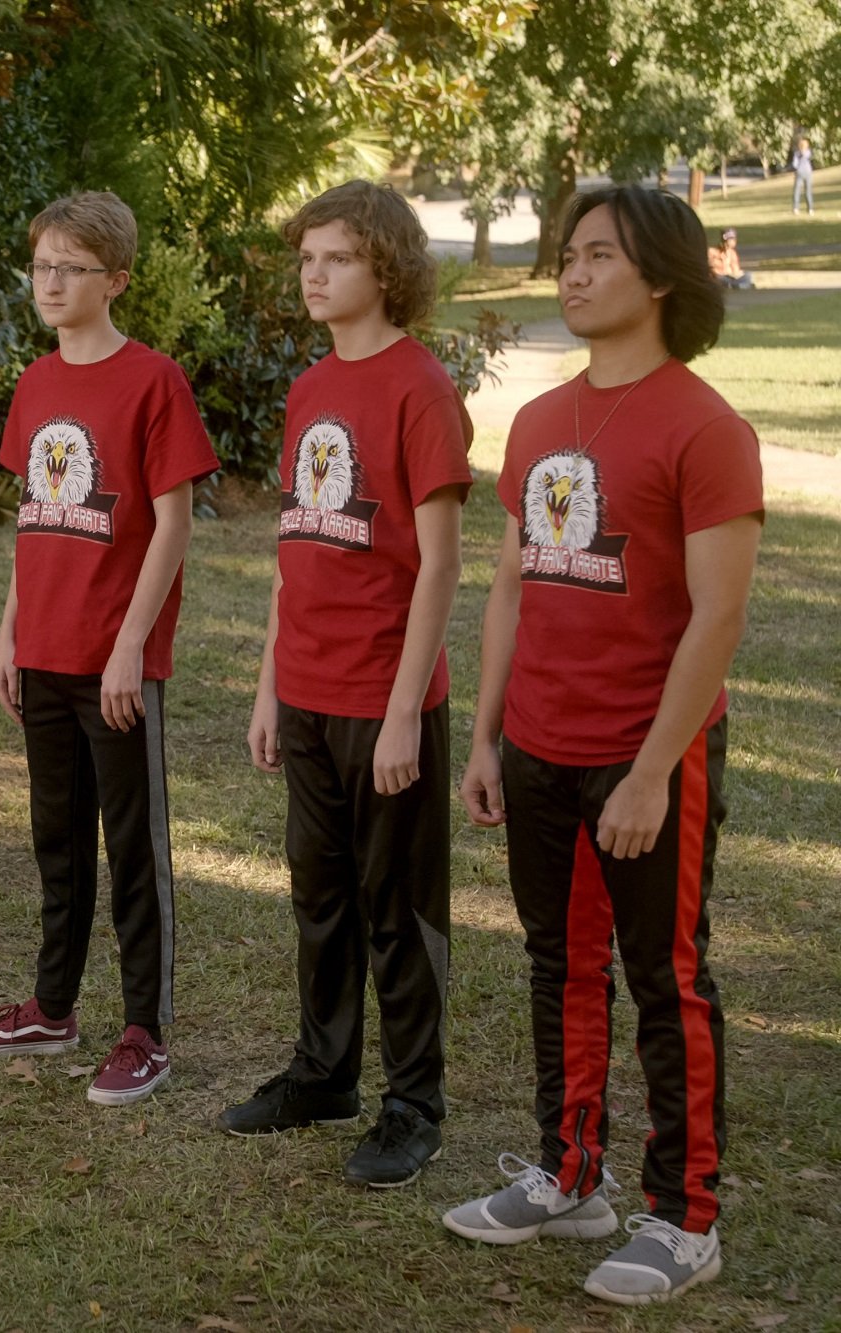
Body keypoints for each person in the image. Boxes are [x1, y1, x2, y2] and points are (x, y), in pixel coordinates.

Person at [444, 186, 761, 1307]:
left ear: (661, 277)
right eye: (564, 256)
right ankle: (567, 1171)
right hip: (534, 745)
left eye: (596, 257)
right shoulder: (535, 424)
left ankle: (683, 1214)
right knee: (555, 963)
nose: (570, 274)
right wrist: (483, 738)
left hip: (645, 758)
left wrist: (645, 770)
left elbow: (714, 619)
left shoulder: (704, 427)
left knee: (663, 979)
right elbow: (510, 588)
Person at [216, 180, 471, 1187]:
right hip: (309, 690)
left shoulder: (417, 388)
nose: (311, 274)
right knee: (316, 894)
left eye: (333, 257)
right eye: (305, 257)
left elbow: (441, 563)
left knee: (394, 908)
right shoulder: (308, 387)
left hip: (387, 698)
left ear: (384, 267)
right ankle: (323, 1074)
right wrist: (268, 684)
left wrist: (404, 707)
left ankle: (414, 1103)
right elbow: (296, 548)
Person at [0, 191, 217, 1105]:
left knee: (131, 848)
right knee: (56, 841)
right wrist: (9, 633)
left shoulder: (152, 381)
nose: (51, 283)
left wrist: (131, 646)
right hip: (45, 652)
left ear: (117, 280)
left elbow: (173, 523)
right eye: (42, 267)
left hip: (115, 664)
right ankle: (52, 1006)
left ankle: (145, 1027)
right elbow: (37, 517)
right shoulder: (36, 383)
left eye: (71, 268)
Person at [790, 136, 814, 215]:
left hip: (807, 172)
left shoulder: (808, 152)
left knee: (808, 191)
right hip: (799, 173)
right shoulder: (797, 153)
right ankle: (796, 208)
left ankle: (810, 208)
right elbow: (795, 164)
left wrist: (802, 152)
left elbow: (806, 156)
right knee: (797, 191)